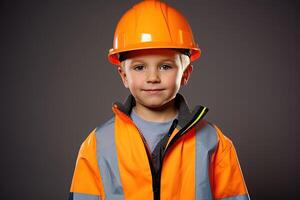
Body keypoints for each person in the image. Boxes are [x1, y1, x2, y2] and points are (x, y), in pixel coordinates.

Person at [68, 1, 250, 200]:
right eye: (139, 67)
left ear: (186, 73)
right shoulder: (97, 144)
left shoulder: (214, 143)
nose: (152, 77)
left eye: (165, 66)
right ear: (124, 76)